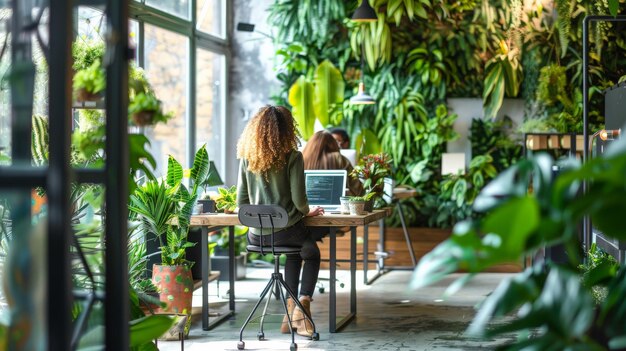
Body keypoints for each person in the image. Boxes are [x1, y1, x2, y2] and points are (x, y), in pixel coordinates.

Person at [236, 105, 323, 337]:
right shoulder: (293, 157)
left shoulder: (247, 159)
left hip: (256, 235)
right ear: (287, 130)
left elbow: (241, 202)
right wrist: (309, 211)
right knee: (311, 253)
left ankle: (289, 315)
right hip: (287, 231)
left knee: (295, 253)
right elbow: (299, 202)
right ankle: (302, 307)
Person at [302, 130, 364, 197]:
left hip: (308, 205)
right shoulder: (339, 158)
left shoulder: (302, 159)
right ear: (333, 143)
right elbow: (358, 189)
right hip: (337, 204)